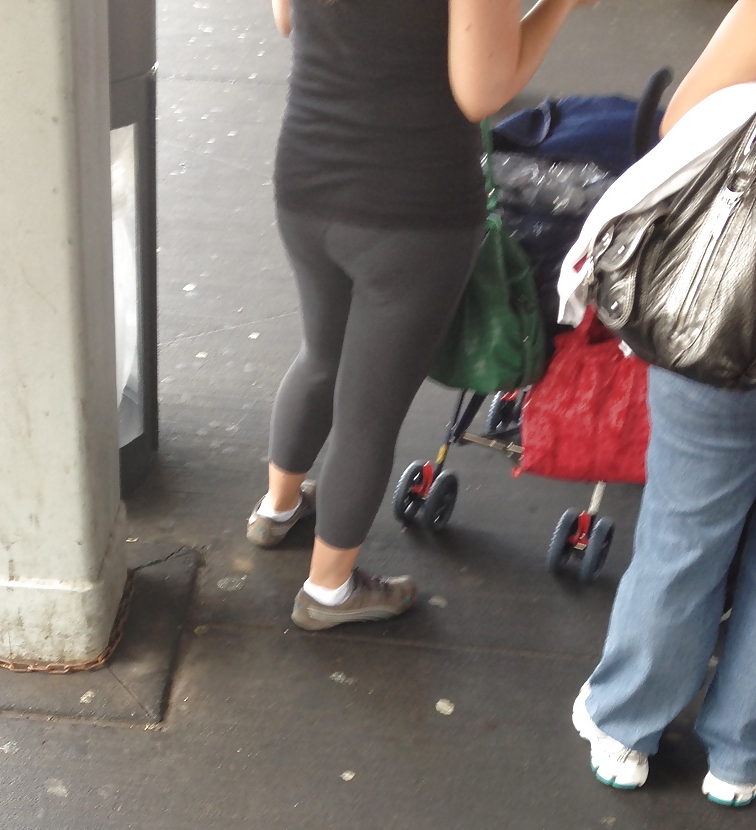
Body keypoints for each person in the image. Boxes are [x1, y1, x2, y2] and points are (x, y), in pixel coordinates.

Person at [250, 0, 599, 630]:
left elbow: (286, 19)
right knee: (370, 412)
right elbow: (481, 92)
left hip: (306, 181)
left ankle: (277, 509)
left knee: (322, 356)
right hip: (412, 210)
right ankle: (330, 589)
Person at [572, 0, 756, 806]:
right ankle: (744, 752)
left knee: (688, 527)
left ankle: (628, 726)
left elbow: (685, 122)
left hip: (732, 310)